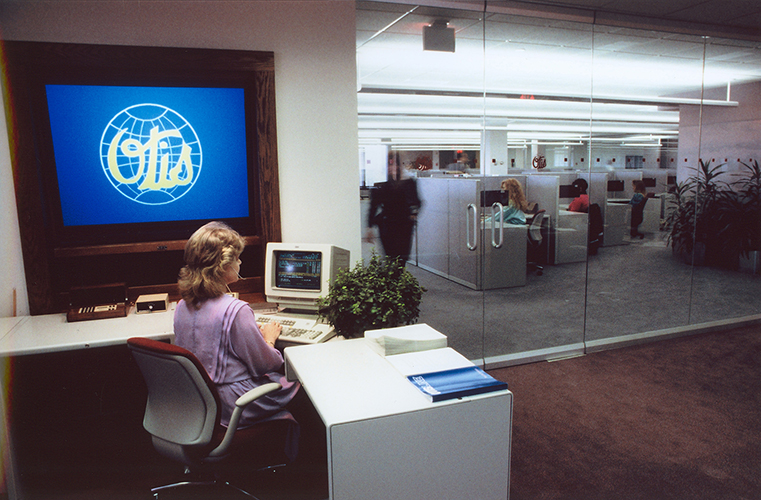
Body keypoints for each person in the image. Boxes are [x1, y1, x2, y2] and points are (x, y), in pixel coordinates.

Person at [173, 221, 303, 459]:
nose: (240, 263)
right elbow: (265, 364)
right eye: (237, 259)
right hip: (235, 404)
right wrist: (269, 338)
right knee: (300, 383)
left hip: (199, 403)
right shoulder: (236, 309)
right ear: (222, 265)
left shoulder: (182, 306)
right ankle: (295, 463)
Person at [366, 151, 421, 264]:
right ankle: (392, 279)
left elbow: (417, 202)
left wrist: (413, 214)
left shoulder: (408, 183)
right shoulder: (383, 184)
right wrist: (369, 226)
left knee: (401, 259)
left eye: (395, 164)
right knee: (390, 257)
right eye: (390, 164)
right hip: (387, 226)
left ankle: (397, 278)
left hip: (404, 226)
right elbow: (373, 206)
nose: (393, 168)